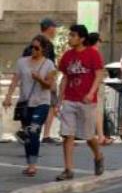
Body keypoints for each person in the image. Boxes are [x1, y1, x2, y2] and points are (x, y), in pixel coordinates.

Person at [3, 35, 57, 177]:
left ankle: (33, 166)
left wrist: (39, 79)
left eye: (37, 48)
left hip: (42, 103)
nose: (33, 50)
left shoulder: (49, 65)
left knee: (33, 130)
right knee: (27, 134)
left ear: (43, 49)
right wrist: (8, 97)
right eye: (32, 47)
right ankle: (29, 163)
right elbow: (15, 80)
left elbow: (50, 85)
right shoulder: (22, 62)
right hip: (25, 103)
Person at [56, 24, 105, 181]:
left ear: (82, 38)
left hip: (87, 101)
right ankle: (68, 169)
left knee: (88, 136)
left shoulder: (93, 54)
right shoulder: (67, 56)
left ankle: (98, 155)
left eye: (73, 35)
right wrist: (59, 100)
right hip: (70, 99)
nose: (69, 38)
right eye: (69, 35)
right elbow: (65, 78)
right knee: (67, 135)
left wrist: (91, 93)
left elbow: (98, 76)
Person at [21, 18, 59, 144]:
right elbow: (51, 64)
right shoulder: (46, 44)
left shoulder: (33, 42)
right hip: (43, 80)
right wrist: (52, 82)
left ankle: (28, 131)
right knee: (51, 105)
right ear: (50, 28)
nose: (56, 30)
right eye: (55, 28)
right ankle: (45, 135)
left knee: (33, 106)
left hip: (31, 80)